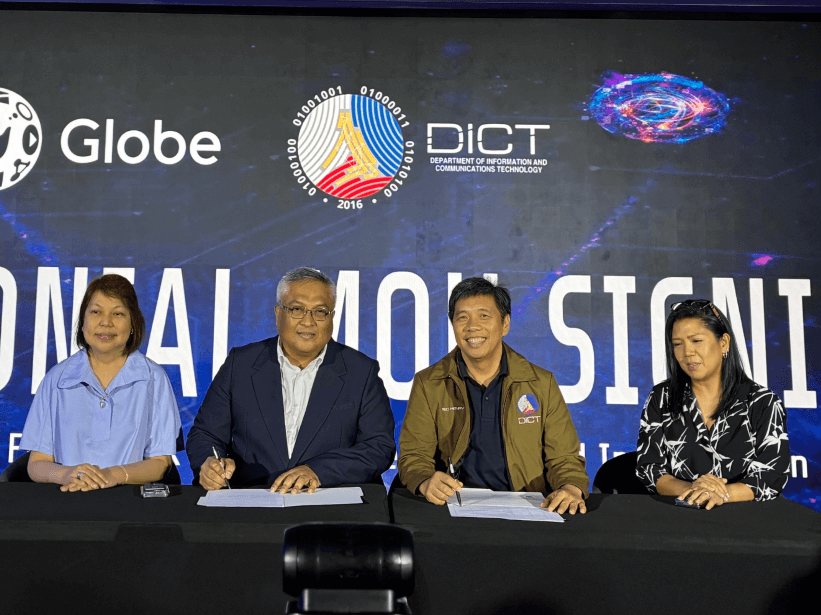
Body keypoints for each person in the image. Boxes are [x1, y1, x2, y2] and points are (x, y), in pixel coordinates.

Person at [186, 267, 395, 492]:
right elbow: (205, 434)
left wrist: (317, 471)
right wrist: (208, 464)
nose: (309, 321)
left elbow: (378, 447)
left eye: (320, 311)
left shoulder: (361, 371)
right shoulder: (241, 364)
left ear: (332, 317)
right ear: (278, 313)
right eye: (297, 309)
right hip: (253, 500)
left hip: (330, 503)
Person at [398, 277, 589, 514]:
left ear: (505, 324)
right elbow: (414, 456)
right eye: (462, 317)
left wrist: (570, 487)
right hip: (456, 507)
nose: (472, 327)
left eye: (484, 316)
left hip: (528, 507)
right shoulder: (429, 383)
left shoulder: (540, 383)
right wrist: (426, 481)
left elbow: (563, 458)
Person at [20, 274, 181, 492]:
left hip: (129, 501)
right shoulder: (57, 378)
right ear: (83, 322)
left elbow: (161, 464)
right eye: (96, 312)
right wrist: (68, 474)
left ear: (133, 323)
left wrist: (112, 475)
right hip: (68, 498)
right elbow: (36, 464)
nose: (106, 322)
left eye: (118, 313)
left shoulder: (154, 378)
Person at [636, 299, 790, 509]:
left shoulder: (762, 402)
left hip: (746, 522)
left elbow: (773, 474)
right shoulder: (661, 397)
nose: (687, 352)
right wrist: (694, 490)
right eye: (677, 344)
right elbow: (649, 468)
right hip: (678, 516)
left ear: (724, 343)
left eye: (696, 341)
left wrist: (721, 494)